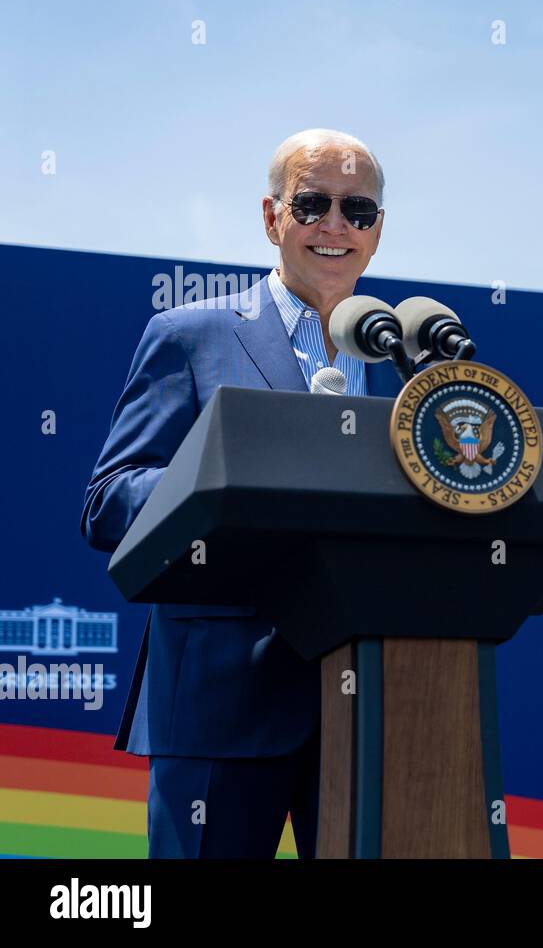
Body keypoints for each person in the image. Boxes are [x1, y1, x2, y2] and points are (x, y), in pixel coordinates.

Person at [81, 128, 402, 858]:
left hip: (371, 710)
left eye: (358, 211)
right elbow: (109, 502)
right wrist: (231, 483)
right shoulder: (188, 335)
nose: (334, 225)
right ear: (271, 217)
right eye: (312, 203)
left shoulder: (403, 360)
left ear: (378, 231)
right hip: (219, 704)